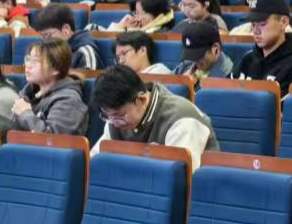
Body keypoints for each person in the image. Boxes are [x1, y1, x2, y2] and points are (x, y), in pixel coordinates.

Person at [91, 64, 219, 169]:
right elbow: (94, 162)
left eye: (120, 116)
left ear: (141, 100)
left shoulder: (182, 119)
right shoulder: (115, 119)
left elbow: (181, 178)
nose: (115, 123)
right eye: (108, 116)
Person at [235, 0, 292, 95]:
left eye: (262, 24)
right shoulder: (247, 59)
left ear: (283, 22)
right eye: (253, 25)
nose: (256, 31)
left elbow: (282, 104)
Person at [12, 39, 88, 136]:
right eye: (28, 59)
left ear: (55, 69)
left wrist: (26, 114)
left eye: (35, 61)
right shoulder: (28, 93)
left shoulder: (69, 100)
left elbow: (52, 139)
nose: (28, 65)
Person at [30, 4, 100, 71]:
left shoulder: (85, 52)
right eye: (42, 36)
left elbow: (87, 78)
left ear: (66, 29)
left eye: (47, 35)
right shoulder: (50, 50)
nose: (44, 41)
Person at [173, 20, 234, 85]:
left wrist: (187, 87)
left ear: (216, 49)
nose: (194, 60)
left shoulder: (227, 76)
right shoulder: (186, 65)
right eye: (191, 56)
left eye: (199, 56)